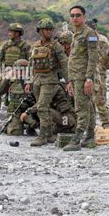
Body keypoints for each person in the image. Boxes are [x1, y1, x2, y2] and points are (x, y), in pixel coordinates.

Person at [24, 18, 68, 147]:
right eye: (46, 29)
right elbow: (30, 64)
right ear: (40, 31)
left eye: (50, 29)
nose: (48, 32)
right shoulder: (36, 45)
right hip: (37, 80)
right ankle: (48, 134)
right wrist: (28, 81)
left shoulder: (56, 46)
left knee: (42, 106)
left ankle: (42, 136)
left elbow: (64, 63)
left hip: (50, 80)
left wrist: (69, 81)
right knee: (43, 108)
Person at [63, 5, 101, 151]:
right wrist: (70, 80)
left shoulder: (89, 33)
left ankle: (77, 139)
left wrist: (89, 78)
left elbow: (93, 57)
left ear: (84, 17)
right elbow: (74, 58)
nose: (74, 18)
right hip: (76, 77)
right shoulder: (76, 34)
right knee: (89, 106)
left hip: (83, 77)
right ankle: (90, 138)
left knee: (81, 108)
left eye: (78, 15)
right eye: (72, 15)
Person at [0, 23, 31, 127]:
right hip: (7, 74)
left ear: (18, 33)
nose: (9, 33)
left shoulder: (25, 46)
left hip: (20, 76)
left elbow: (30, 62)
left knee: (19, 98)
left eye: (12, 32)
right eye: (9, 31)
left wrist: (27, 79)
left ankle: (23, 120)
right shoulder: (6, 45)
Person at [86, 18, 109, 132]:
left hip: (99, 74)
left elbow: (99, 60)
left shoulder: (100, 40)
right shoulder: (93, 38)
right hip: (89, 74)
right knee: (89, 101)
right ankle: (92, 127)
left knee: (100, 100)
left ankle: (106, 126)